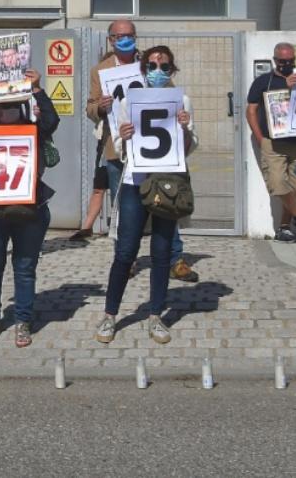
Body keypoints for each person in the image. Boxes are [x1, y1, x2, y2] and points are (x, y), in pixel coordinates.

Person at [95, 45, 196, 346]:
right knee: (125, 252)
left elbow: (190, 145)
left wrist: (185, 127)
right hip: (134, 181)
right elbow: (121, 147)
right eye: (152, 65)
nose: (158, 71)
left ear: (172, 71)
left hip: (169, 183)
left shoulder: (182, 100)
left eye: (164, 67)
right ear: (142, 68)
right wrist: (123, 137)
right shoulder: (129, 101)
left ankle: (155, 315)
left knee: (162, 253)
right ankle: (110, 314)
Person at [85, 19, 198, 283]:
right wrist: (101, 107)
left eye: (130, 35)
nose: (125, 39)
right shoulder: (100, 71)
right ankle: (125, 259)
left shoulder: (151, 63)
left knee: (167, 202)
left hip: (159, 152)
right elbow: (90, 109)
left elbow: (169, 97)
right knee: (124, 209)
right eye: (120, 36)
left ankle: (175, 259)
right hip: (119, 147)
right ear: (110, 39)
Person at [0, 70, 58, 347]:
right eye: (4, 106)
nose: (10, 111)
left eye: (15, 106)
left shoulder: (34, 132)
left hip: (29, 212)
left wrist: (37, 88)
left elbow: (51, 121)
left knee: (25, 267)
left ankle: (23, 320)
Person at [246, 43, 296, 242]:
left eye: (290, 61)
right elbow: (251, 110)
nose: (287, 64)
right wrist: (260, 138)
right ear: (275, 60)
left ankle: (284, 228)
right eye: (283, 61)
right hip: (273, 143)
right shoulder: (264, 81)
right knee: (277, 184)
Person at [68, 134, 109, 241]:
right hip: (106, 145)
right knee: (98, 188)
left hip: (124, 145)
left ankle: (124, 227)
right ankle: (87, 228)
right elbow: (93, 116)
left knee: (122, 190)